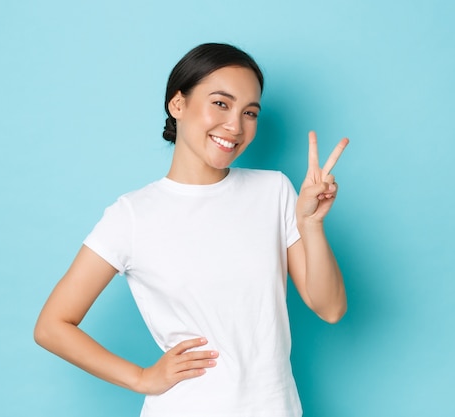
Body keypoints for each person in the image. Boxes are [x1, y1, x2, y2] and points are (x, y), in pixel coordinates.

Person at [34, 42, 348, 417]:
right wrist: (140, 378)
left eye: (250, 112)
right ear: (177, 104)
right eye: (220, 103)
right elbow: (51, 326)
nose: (235, 125)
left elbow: (330, 308)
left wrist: (311, 224)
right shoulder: (132, 215)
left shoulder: (275, 190)